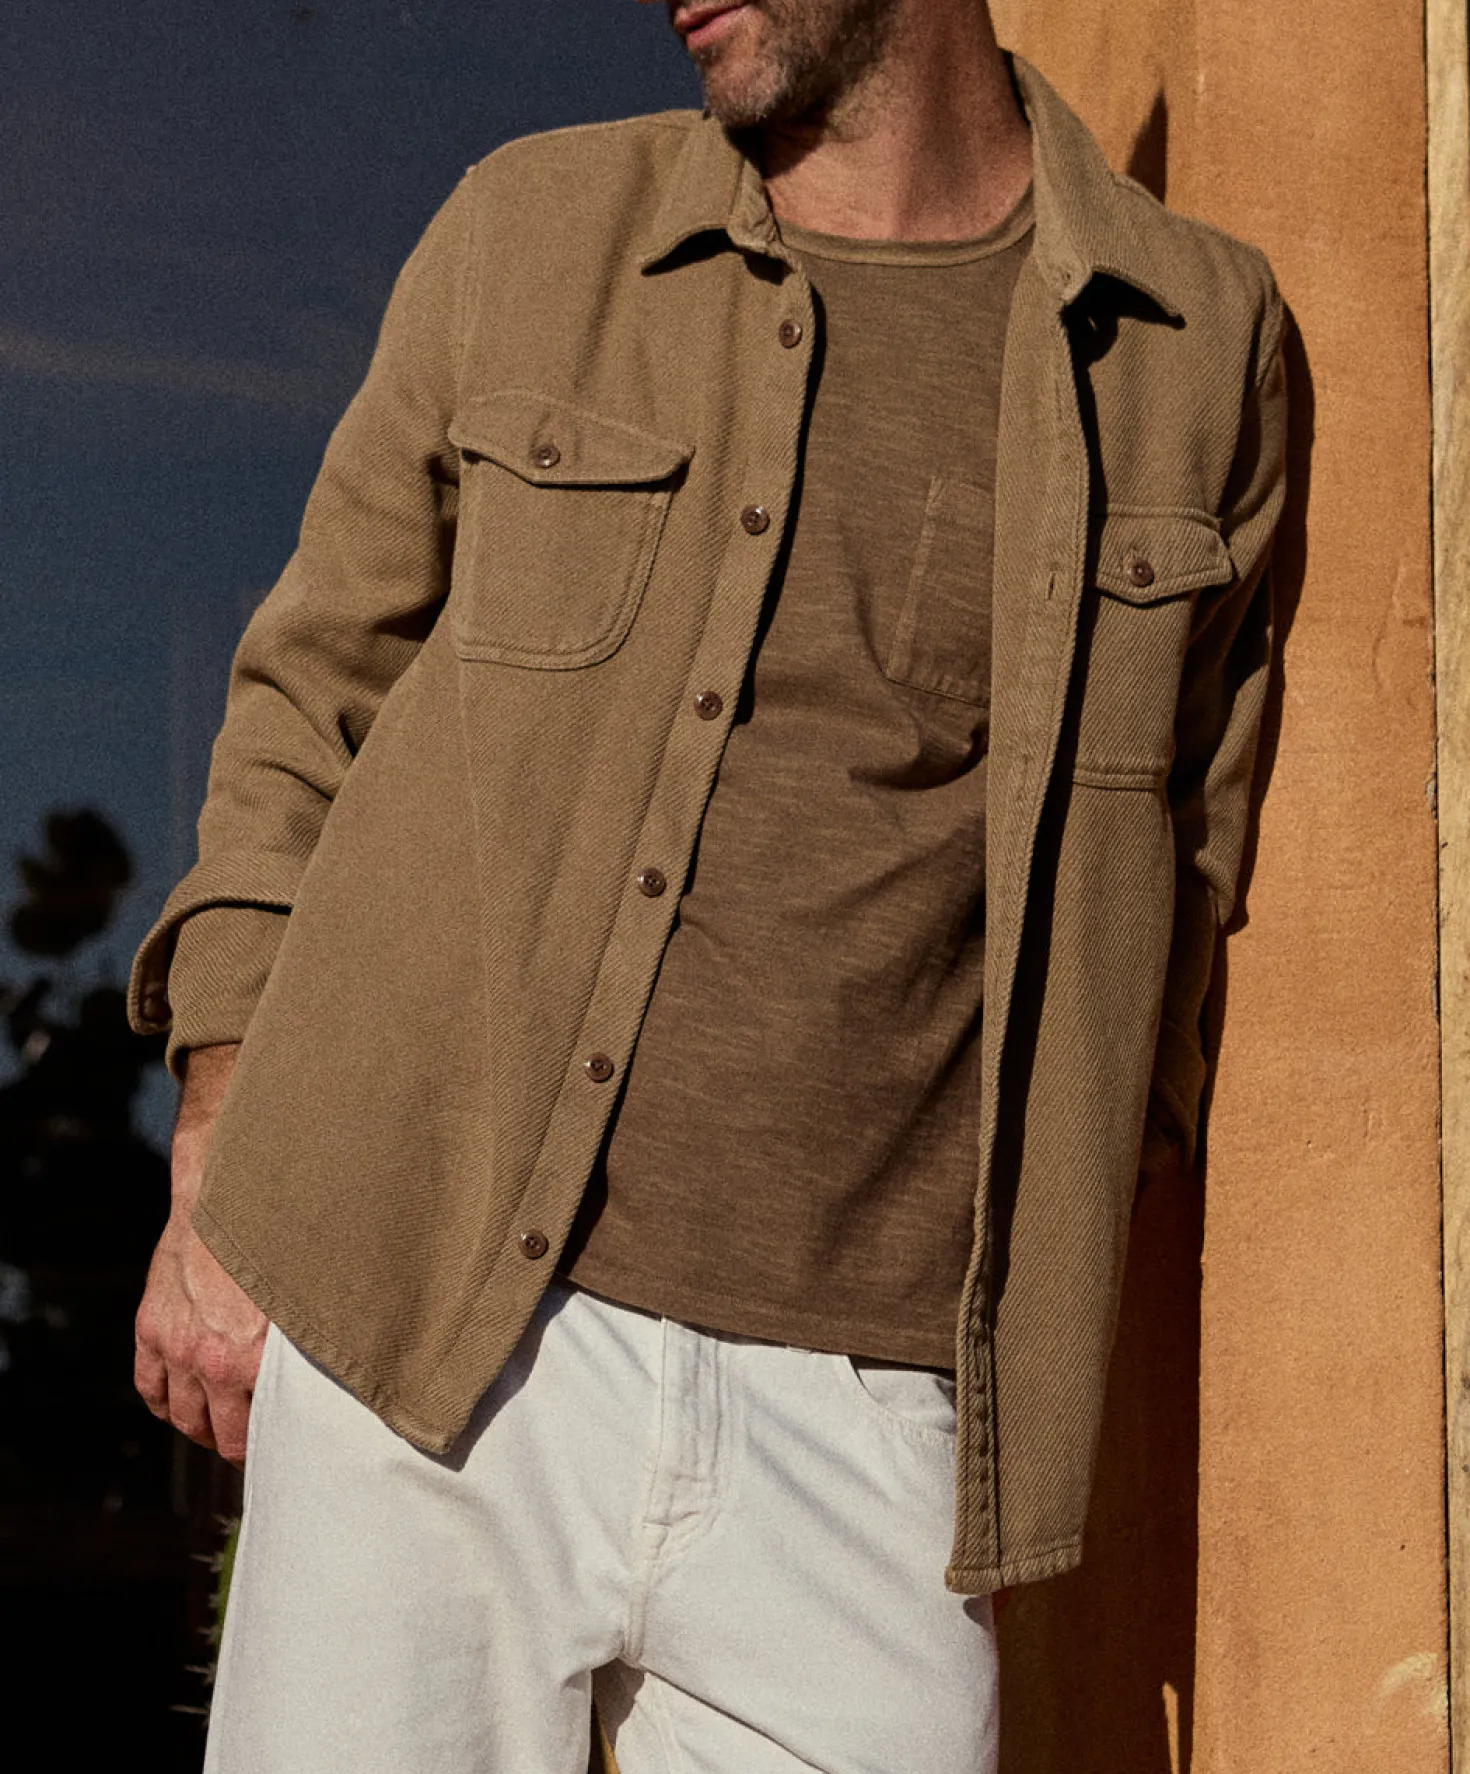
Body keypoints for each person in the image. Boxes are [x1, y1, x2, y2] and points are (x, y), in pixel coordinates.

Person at [130, 2, 1287, 1769]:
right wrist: (219, 1127)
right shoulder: (531, 231)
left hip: (876, 1422)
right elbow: (310, 699)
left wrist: (1067, 1193)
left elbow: (1186, 853)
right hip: (427, 1339)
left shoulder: (1197, 344)